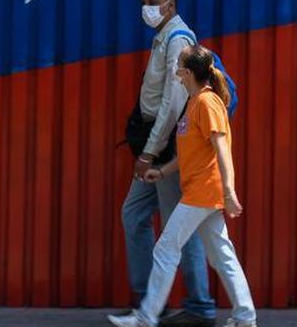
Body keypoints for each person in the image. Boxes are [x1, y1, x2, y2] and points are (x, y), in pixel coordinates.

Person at [110, 45, 258, 327]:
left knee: (166, 249)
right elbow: (189, 154)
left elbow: (221, 149)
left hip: (204, 191)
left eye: (178, 64)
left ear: (187, 73)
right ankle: (245, 318)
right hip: (200, 190)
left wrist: (229, 191)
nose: (175, 69)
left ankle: (145, 317)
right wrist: (161, 172)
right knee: (221, 254)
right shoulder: (194, 102)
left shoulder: (206, 103)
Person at [119, 0, 217, 327]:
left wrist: (149, 152)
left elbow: (173, 104)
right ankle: (150, 301)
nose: (146, 8)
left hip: (166, 145)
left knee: (179, 225)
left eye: (153, 2)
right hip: (154, 142)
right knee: (133, 215)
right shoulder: (162, 37)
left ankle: (199, 306)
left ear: (170, 6)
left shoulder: (178, 40)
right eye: (143, 1)